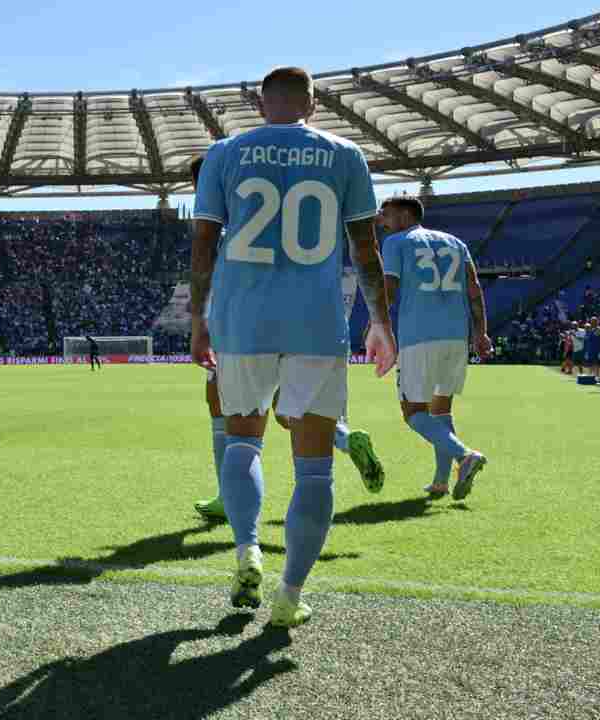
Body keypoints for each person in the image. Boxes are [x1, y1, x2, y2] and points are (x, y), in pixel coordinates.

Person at [192, 66, 395, 628]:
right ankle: (289, 596)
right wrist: (380, 321)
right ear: (315, 103)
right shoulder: (346, 155)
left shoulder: (224, 153)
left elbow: (204, 242)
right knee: (315, 472)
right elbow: (365, 248)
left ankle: (245, 551)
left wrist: (199, 320)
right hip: (315, 323)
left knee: (241, 444)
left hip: (242, 322)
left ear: (260, 104)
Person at [379, 196, 489, 501]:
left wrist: (377, 322)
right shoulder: (456, 242)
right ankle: (441, 481)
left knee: (413, 413)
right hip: (456, 335)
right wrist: (481, 332)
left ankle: (464, 455)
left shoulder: (396, 241)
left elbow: (389, 288)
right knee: (442, 410)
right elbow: (474, 289)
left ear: (404, 215)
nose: (381, 220)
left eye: (385, 214)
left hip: (420, 336)